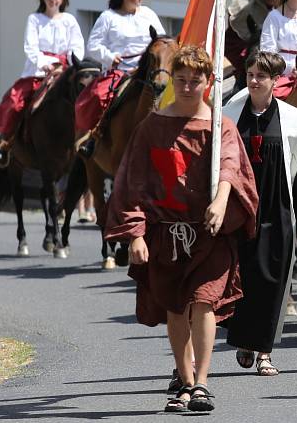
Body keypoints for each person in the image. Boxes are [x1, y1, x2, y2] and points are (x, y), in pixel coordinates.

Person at [104, 45, 258, 413]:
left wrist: (221, 202)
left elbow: (230, 167)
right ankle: (185, 379)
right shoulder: (152, 126)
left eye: (196, 80)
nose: (188, 86)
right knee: (176, 308)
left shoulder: (220, 124)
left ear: (208, 83)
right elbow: (133, 181)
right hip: (165, 234)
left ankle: (202, 383)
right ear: (173, 80)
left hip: (208, 232)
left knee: (204, 302)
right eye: (181, 79)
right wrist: (136, 234)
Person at [223, 51, 297, 377]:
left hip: (278, 206)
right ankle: (246, 340)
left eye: (261, 76)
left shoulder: (294, 118)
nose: (254, 81)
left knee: (274, 281)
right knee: (244, 277)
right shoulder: (230, 114)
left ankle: (264, 351)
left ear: (276, 81)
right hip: (240, 209)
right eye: (250, 75)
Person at [0, 0, 84, 167]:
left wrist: (66, 65)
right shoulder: (35, 19)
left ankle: (88, 142)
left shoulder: (69, 20)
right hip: (39, 71)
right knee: (15, 103)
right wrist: (46, 65)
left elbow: (77, 47)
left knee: (82, 98)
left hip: (65, 71)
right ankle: (7, 144)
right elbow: (30, 47)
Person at [75, 0, 165, 155]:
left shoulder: (148, 13)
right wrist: (109, 56)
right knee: (100, 97)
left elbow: (161, 40)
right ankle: (94, 137)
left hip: (147, 69)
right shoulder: (108, 17)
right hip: (120, 71)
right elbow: (93, 45)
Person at [225, 0, 285, 94]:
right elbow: (231, 45)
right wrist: (249, 64)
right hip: (252, 71)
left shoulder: (289, 10)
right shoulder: (244, 10)